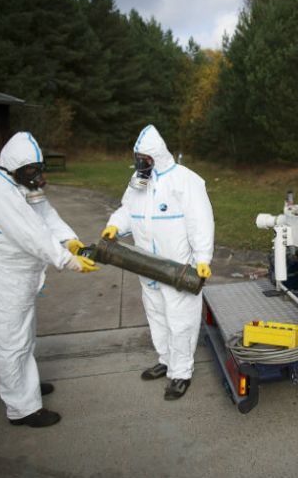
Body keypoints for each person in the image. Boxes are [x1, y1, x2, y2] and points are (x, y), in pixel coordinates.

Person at [0, 132, 99, 428]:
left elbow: (44, 214)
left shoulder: (19, 181)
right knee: (9, 342)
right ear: (12, 167)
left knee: (23, 335)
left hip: (18, 276)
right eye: (31, 171)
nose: (37, 176)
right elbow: (31, 233)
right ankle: (22, 410)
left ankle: (26, 387)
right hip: (1, 278)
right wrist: (67, 260)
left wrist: (69, 240)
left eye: (39, 169)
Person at [101, 124, 214, 400]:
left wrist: (202, 258)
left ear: (157, 156)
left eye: (145, 158)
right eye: (138, 157)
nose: (140, 163)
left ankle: (181, 373)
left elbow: (201, 222)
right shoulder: (140, 180)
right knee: (156, 316)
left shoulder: (186, 181)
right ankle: (165, 360)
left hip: (177, 269)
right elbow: (128, 210)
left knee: (180, 321)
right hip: (146, 266)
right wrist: (115, 225)